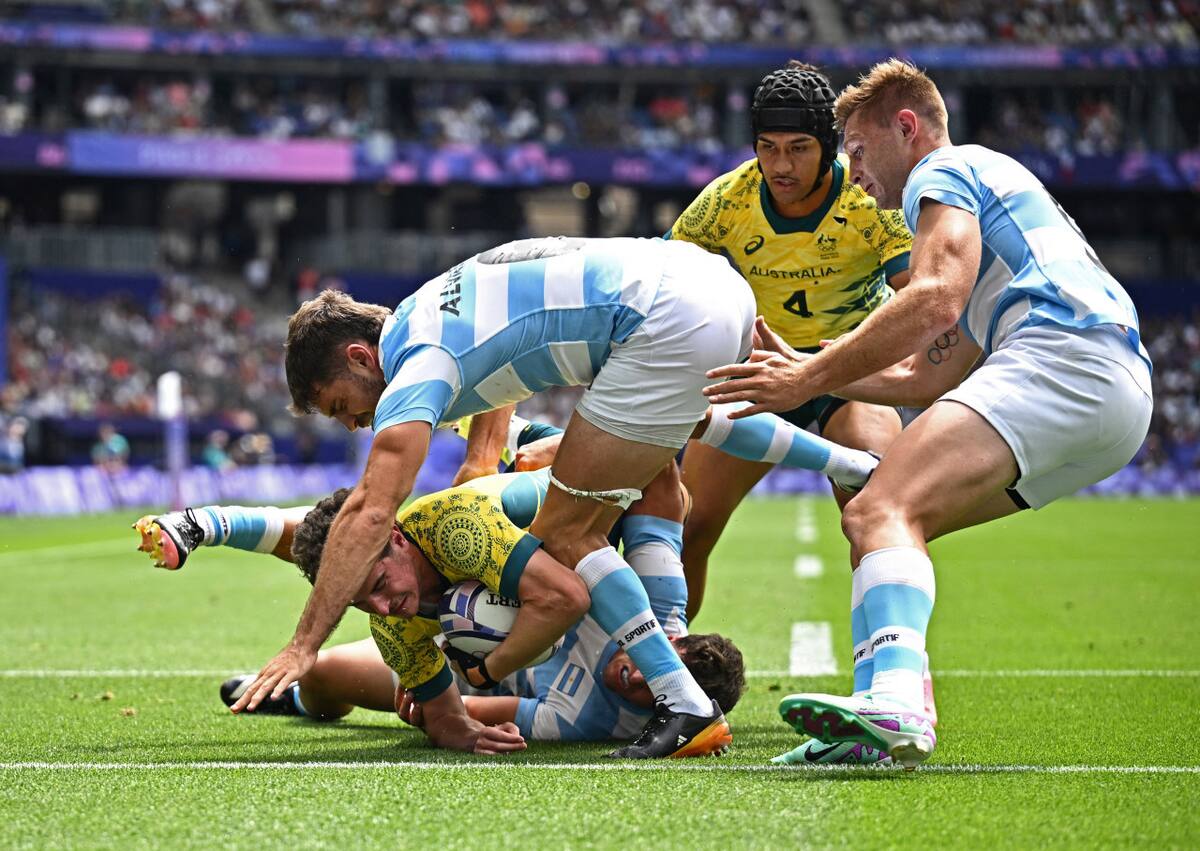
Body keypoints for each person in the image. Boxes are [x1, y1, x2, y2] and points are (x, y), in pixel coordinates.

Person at [232, 234, 876, 759]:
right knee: (673, 435)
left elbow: (372, 509)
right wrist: (483, 459)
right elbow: (503, 369)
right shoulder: (431, 313)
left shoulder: (413, 369)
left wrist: (305, 643)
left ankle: (684, 703)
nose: (354, 425)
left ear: (359, 357)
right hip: (712, 286)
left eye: (341, 406)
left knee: (568, 530)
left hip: (660, 319)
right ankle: (854, 465)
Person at [704, 59, 1153, 769]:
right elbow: (926, 375)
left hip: (1061, 357)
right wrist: (807, 370)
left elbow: (936, 295)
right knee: (889, 521)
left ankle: (895, 701)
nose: (853, 172)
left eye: (857, 150)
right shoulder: (994, 202)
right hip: (1118, 398)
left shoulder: (940, 171)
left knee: (878, 507)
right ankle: (881, 721)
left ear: (906, 127)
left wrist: (808, 377)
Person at [134, 462, 747, 747]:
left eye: (379, 588)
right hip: (484, 592)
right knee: (324, 647)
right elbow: (658, 480)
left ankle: (292, 686)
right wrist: (576, 457)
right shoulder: (657, 606)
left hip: (479, 650)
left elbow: (465, 709)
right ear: (674, 642)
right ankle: (211, 523)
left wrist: (451, 704)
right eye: (364, 601)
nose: (383, 609)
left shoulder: (593, 720)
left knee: (324, 665)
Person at [666, 62, 913, 627]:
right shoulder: (726, 200)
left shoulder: (868, 197)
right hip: (758, 376)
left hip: (847, 377)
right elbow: (662, 281)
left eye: (799, 148)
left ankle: (894, 668)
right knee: (685, 529)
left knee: (876, 515)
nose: (780, 166)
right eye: (767, 148)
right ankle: (667, 669)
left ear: (829, 146)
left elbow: (917, 295)